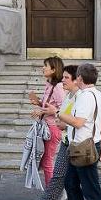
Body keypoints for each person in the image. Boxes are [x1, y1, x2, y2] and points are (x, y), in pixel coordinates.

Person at [25, 64, 101, 200]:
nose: (62, 80)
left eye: (66, 78)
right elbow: (69, 120)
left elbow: (83, 122)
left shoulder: (85, 97)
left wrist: (59, 117)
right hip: (69, 141)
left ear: (77, 79)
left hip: (82, 144)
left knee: (88, 180)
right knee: (65, 177)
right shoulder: (70, 96)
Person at [54, 62, 101, 200]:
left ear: (80, 78)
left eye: (75, 76)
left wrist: (58, 113)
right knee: (71, 183)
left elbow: (78, 122)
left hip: (84, 148)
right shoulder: (99, 95)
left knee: (91, 189)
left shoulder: (85, 97)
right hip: (83, 146)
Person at [28, 56, 64, 186]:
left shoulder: (58, 87)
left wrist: (44, 111)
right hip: (46, 128)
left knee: (47, 162)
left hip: (52, 129)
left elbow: (63, 109)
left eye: (45, 66)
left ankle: (52, 192)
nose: (42, 68)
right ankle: (55, 190)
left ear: (54, 70)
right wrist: (38, 103)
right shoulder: (49, 85)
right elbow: (49, 105)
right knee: (44, 162)